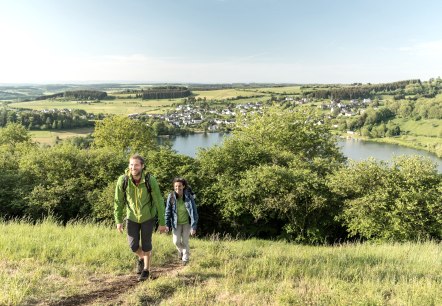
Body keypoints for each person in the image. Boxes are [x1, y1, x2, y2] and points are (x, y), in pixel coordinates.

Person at [114, 154, 167, 281]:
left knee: (146, 244)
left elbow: (159, 201)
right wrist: (118, 220)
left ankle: (146, 270)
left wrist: (162, 222)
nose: (133, 167)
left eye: (136, 165)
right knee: (133, 245)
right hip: (131, 216)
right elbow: (118, 201)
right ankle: (142, 258)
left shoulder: (150, 180)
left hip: (147, 216)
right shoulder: (123, 180)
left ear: (142, 166)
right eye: (131, 164)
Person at [165, 177, 198, 265]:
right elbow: (168, 211)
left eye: (179, 186)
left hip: (186, 223)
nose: (177, 188)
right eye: (175, 186)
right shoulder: (171, 196)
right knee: (176, 241)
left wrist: (193, 226)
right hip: (176, 223)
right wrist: (167, 224)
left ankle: (185, 259)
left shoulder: (189, 197)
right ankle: (181, 251)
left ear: (183, 186)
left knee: (185, 241)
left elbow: (194, 212)